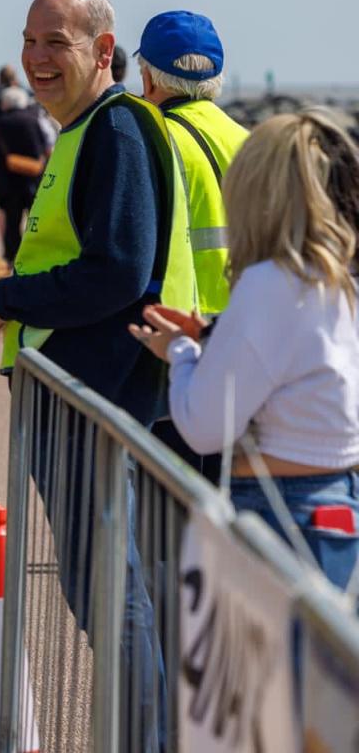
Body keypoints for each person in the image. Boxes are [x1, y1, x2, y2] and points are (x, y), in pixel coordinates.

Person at [0, 0, 196, 752]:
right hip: (76, 396)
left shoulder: (116, 130)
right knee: (101, 587)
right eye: (29, 40)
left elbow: (119, 271)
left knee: (110, 589)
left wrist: (6, 295)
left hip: (99, 399)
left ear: (104, 51)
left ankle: (145, 739)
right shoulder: (83, 130)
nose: (35, 58)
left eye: (55, 42)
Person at [130, 109, 359, 590]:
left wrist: (182, 353)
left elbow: (204, 427)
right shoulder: (336, 280)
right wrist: (212, 336)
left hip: (280, 509)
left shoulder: (269, 283)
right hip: (335, 500)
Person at [137, 10, 249, 483]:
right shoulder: (249, 141)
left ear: (147, 75)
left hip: (177, 335)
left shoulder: (154, 138)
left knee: (171, 493)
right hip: (244, 332)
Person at [0, 86, 48, 261]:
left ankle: (12, 258)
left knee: (11, 224)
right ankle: (37, 256)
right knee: (35, 222)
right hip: (32, 179)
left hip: (6, 183)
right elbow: (46, 147)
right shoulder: (34, 120)